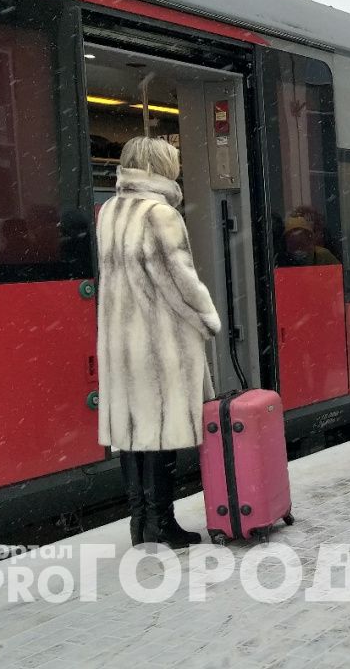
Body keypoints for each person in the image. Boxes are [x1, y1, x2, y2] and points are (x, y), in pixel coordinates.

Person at [97, 136, 217, 547]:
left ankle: (139, 523)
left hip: (121, 341)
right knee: (162, 434)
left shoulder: (109, 211)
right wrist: (207, 318)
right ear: (161, 167)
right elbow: (179, 282)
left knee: (132, 433)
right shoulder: (160, 214)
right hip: (158, 342)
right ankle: (163, 523)